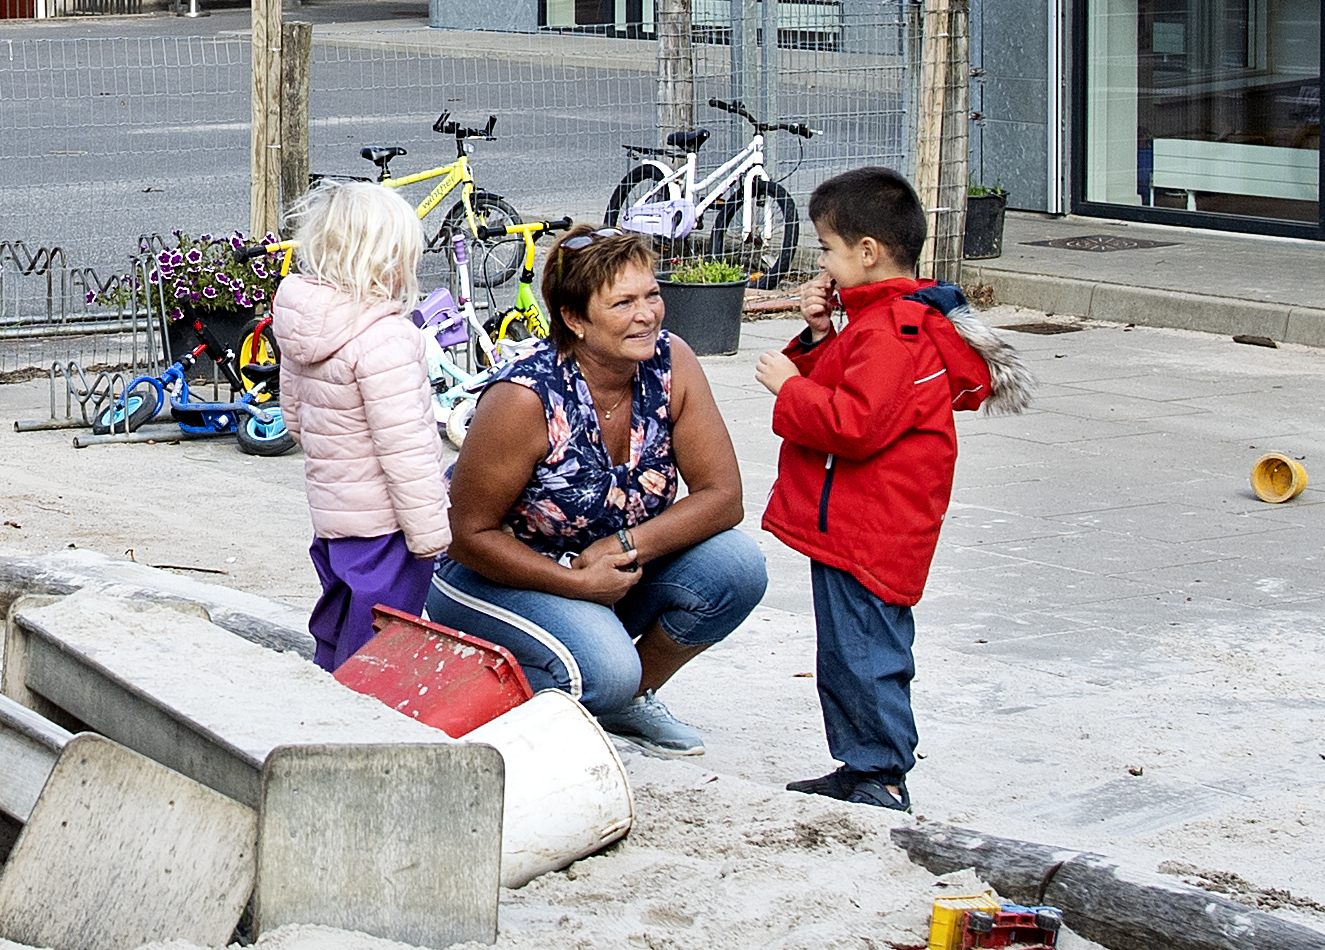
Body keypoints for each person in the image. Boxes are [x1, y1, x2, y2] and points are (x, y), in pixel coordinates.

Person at [424, 228, 770, 750]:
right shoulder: (525, 398)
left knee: (737, 567)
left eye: (652, 294)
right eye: (623, 303)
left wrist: (627, 546)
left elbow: (723, 497)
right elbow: (466, 536)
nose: (647, 314)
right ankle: (482, 690)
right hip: (488, 576)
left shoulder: (671, 362)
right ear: (574, 319)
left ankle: (628, 699)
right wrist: (576, 586)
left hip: (603, 570)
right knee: (604, 670)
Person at [743, 164, 1018, 815]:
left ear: (866, 253)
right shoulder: (876, 321)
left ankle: (883, 775)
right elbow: (852, 383)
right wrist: (817, 338)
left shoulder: (895, 331)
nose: (822, 263)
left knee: (866, 651)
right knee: (845, 649)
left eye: (827, 250)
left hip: (870, 525)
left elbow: (854, 423)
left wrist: (789, 384)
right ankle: (861, 762)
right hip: (854, 521)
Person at [270, 179, 455, 671]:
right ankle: (359, 722)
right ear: (387, 262)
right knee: (381, 639)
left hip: (332, 515)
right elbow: (408, 449)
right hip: (386, 526)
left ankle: (325, 689)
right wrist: (431, 532)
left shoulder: (302, 321)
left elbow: (295, 416)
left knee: (337, 620)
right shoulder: (386, 338)